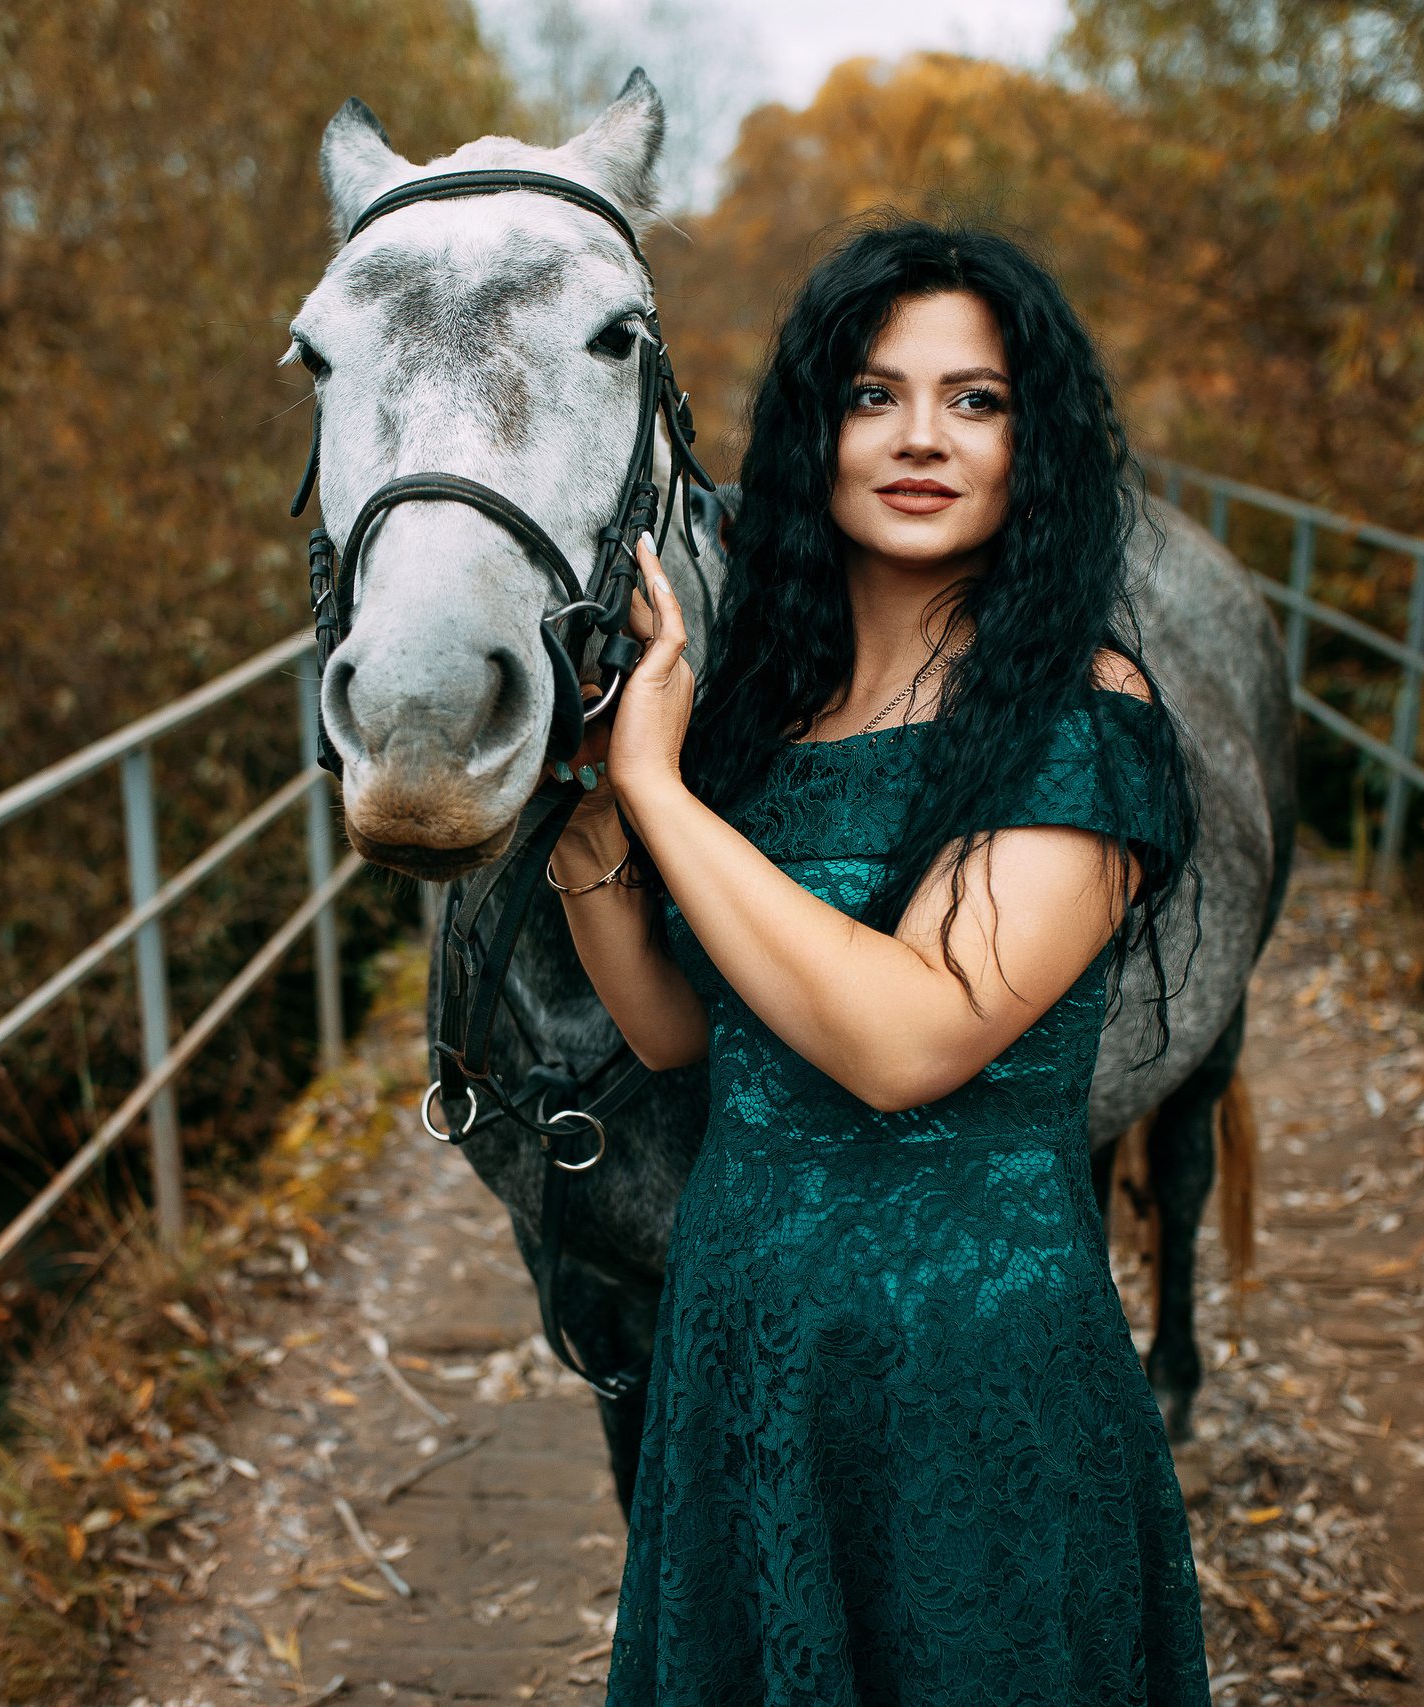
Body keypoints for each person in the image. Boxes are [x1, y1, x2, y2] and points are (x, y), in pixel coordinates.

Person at [550, 219, 1210, 1704]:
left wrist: (661, 798)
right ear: (814, 435)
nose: (922, 437)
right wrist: (594, 823)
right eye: (873, 394)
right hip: (745, 1347)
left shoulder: (1079, 718)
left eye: (974, 400)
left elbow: (909, 1040)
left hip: (968, 1371)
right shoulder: (768, 717)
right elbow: (683, 1035)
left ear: (1031, 448)